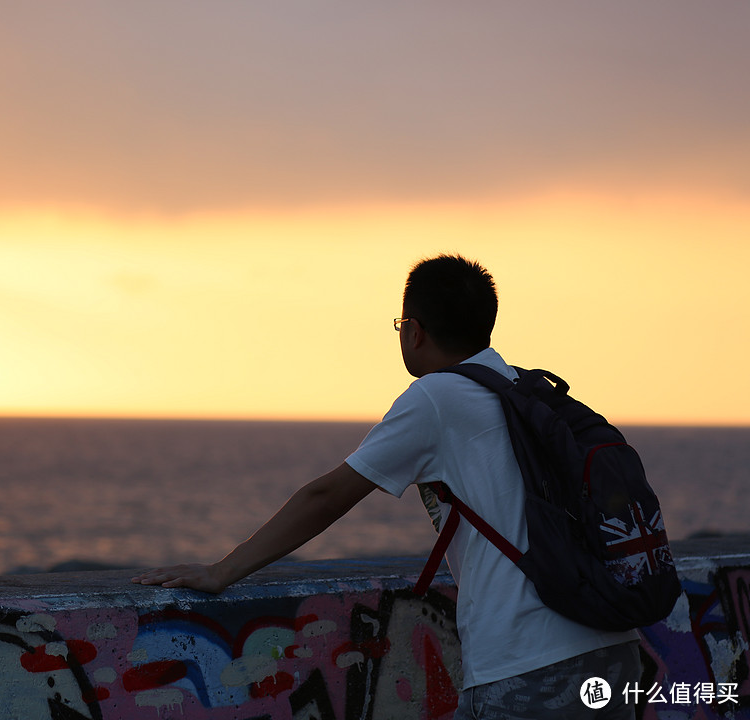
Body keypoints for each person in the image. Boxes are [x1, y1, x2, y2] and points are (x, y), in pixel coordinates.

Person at [132, 254, 642, 719]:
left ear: (414, 331)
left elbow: (327, 496)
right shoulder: (525, 390)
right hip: (613, 650)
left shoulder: (438, 396)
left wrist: (223, 570)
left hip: (528, 663)